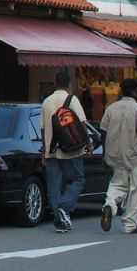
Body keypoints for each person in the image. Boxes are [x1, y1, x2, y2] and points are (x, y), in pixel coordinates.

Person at [99, 76, 137, 235]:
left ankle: (109, 205)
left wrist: (104, 154)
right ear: (132, 91)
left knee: (117, 184)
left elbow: (103, 131)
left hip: (115, 154)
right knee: (135, 189)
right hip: (134, 155)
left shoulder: (111, 108)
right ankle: (130, 224)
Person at [41, 69, 90, 233]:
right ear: (69, 84)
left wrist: (44, 152)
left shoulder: (46, 101)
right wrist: (88, 143)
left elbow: (43, 129)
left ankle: (59, 220)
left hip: (52, 150)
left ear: (55, 84)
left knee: (54, 185)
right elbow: (82, 124)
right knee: (77, 179)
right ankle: (65, 206)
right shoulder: (72, 99)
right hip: (70, 149)